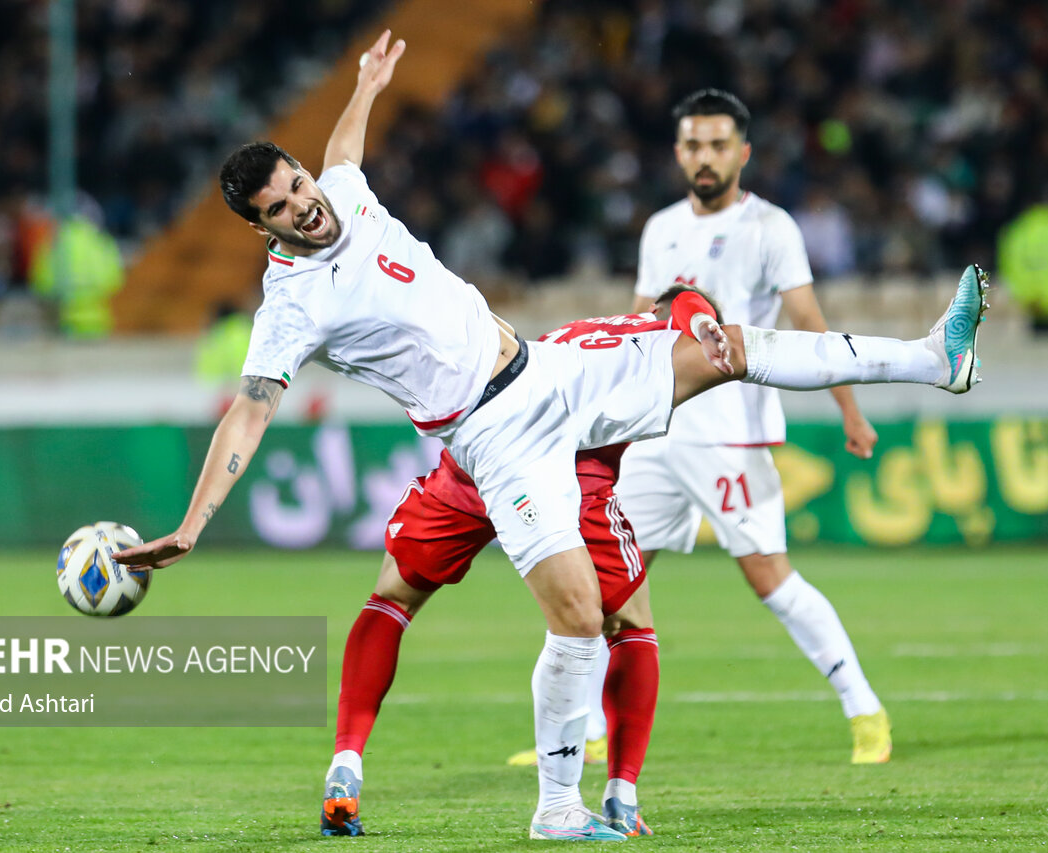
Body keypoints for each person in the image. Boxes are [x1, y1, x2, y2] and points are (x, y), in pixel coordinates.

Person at [114, 31, 988, 841]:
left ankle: (931, 357)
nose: (305, 207)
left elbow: (343, 153)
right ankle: (558, 809)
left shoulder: (341, 186)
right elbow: (251, 409)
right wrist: (194, 524)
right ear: (258, 227)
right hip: (495, 438)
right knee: (578, 617)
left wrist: (367, 87)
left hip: (548, 370)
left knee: (726, 352)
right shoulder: (289, 308)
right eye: (280, 208)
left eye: (298, 185)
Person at [322, 288, 721, 839]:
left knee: (391, 599)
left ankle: (345, 764)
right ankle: (620, 796)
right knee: (630, 625)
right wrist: (703, 322)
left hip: (476, 461)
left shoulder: (581, 327)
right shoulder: (668, 340)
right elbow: (689, 305)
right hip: (569, 479)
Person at [622, 88, 891, 764]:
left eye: (717, 145)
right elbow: (637, 326)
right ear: (678, 152)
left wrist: (850, 410)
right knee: (608, 579)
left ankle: (865, 710)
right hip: (658, 429)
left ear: (742, 152)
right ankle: (593, 733)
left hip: (732, 431)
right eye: (692, 145)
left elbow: (809, 325)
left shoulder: (771, 228)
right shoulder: (660, 228)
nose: (703, 158)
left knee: (769, 577)